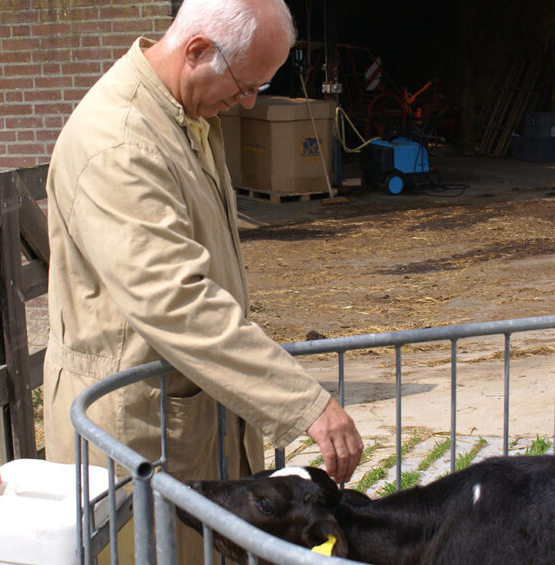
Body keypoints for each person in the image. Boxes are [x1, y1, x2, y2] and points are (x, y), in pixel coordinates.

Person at [42, 0, 363, 559]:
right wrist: (305, 403)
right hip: (138, 429)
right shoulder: (121, 144)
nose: (249, 101)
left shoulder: (183, 115)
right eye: (245, 84)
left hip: (188, 412)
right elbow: (175, 298)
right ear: (196, 51)